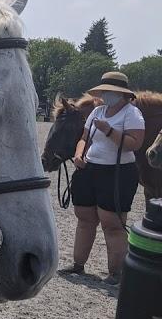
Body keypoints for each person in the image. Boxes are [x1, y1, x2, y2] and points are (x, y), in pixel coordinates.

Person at [58, 71, 145, 284]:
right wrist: (79, 154)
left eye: (111, 92)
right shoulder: (98, 111)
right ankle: (78, 263)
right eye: (105, 91)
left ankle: (116, 272)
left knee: (112, 223)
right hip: (90, 168)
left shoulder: (132, 113)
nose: (107, 95)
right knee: (84, 217)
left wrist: (109, 131)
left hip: (117, 172)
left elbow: (135, 143)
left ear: (123, 94)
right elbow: (84, 138)